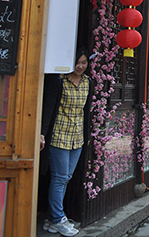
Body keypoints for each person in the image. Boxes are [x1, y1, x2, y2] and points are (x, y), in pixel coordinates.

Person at [41, 48, 93, 236]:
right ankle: (57, 218)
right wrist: (42, 133)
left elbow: (86, 112)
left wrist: (86, 137)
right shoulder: (59, 80)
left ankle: (53, 218)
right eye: (77, 62)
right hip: (59, 135)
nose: (80, 66)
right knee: (60, 178)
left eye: (84, 62)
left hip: (77, 137)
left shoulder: (88, 82)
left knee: (66, 178)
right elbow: (48, 108)